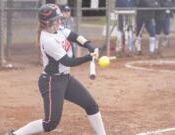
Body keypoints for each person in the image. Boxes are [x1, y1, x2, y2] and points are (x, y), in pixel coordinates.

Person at [6, 4, 106, 135]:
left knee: (91, 105)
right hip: (51, 82)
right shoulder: (47, 40)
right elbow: (67, 61)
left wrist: (89, 45)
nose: (60, 21)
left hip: (65, 78)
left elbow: (75, 36)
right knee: (50, 123)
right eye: (56, 19)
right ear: (48, 22)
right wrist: (89, 57)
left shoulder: (58, 29)